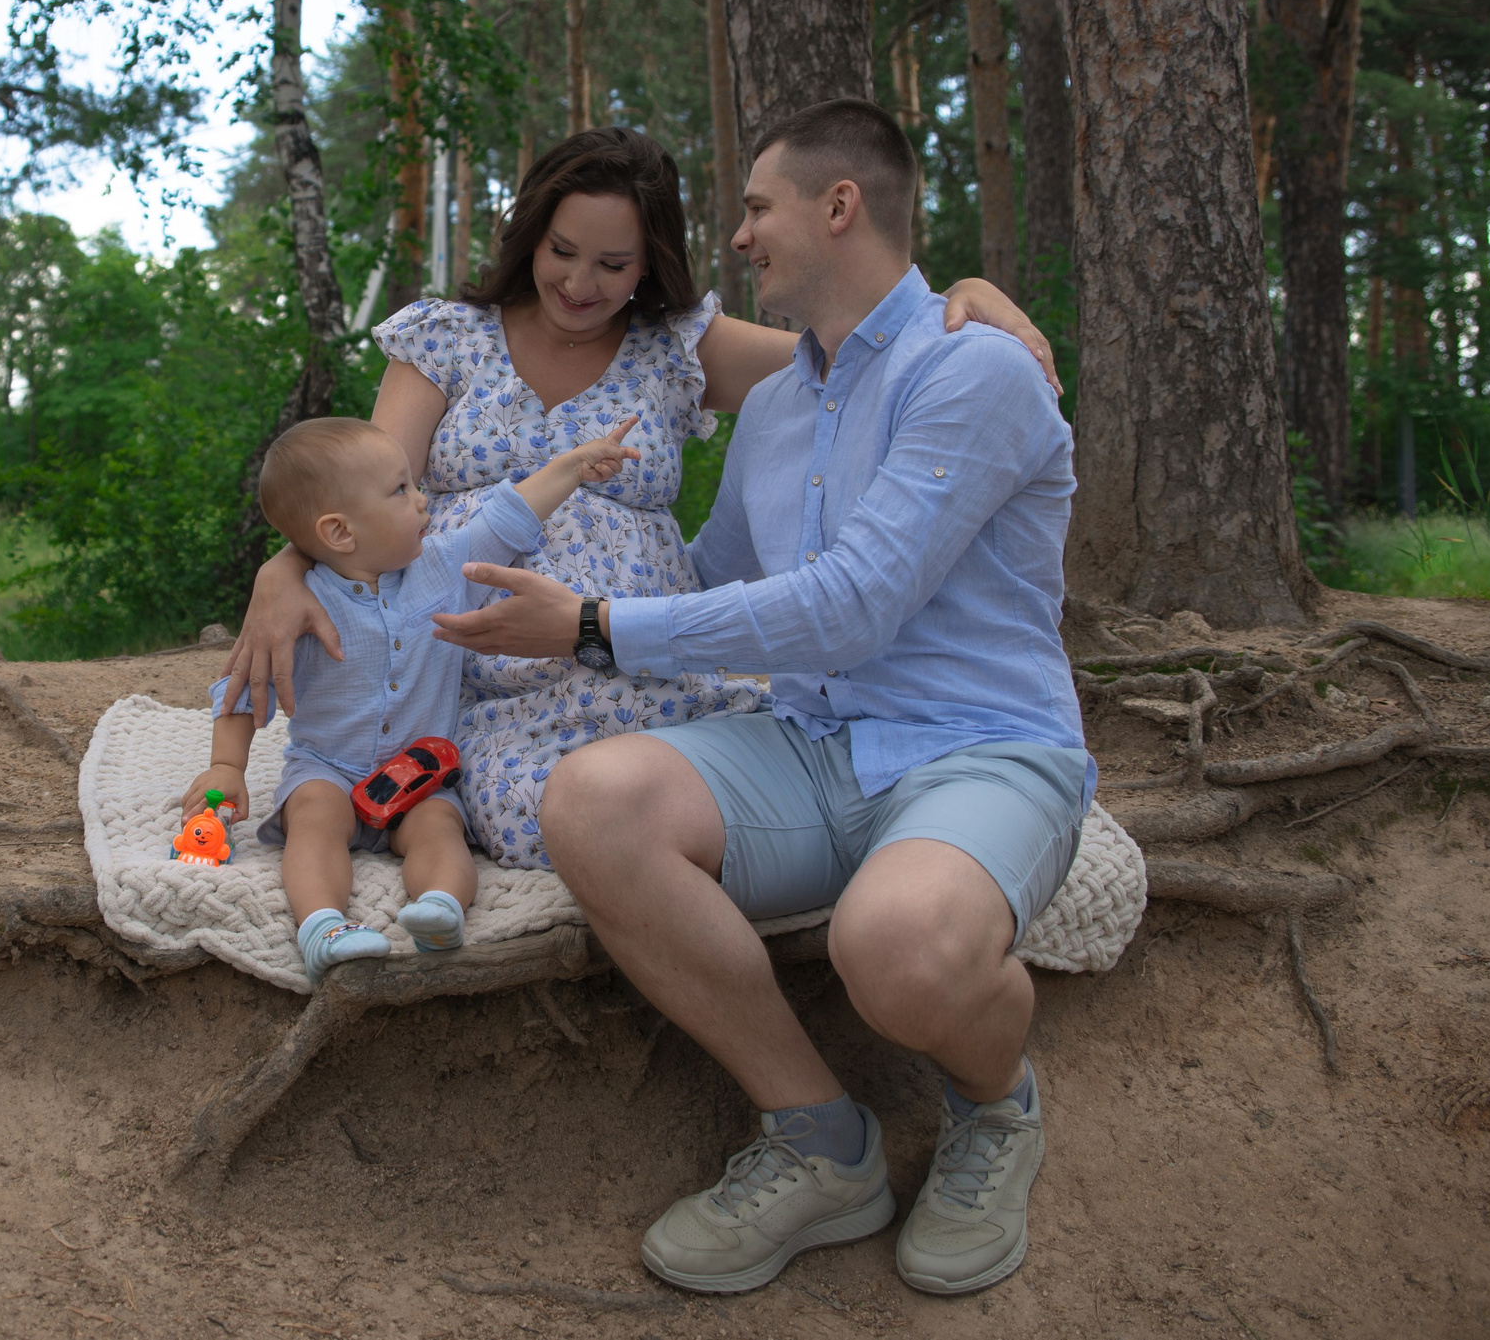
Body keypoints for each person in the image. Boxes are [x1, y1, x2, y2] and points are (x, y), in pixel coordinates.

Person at [430, 100, 1087, 1300]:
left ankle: (997, 1110)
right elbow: (715, 574)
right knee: (594, 800)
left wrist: (588, 627)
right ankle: (823, 1141)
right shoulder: (782, 403)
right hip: (809, 742)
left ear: (838, 206)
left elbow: (850, 606)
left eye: (757, 207)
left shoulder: (974, 368)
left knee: (889, 948)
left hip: (979, 749)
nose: (736, 238)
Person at [219, 126, 1057, 871]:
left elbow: (859, 341)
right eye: (561, 250)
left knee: (699, 792)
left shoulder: (679, 348)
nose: (580, 282)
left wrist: (965, 300)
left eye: (614, 264)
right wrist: (284, 570)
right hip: (494, 673)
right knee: (547, 814)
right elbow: (358, 497)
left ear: (651, 262)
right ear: (530, 237)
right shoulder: (446, 337)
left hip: (643, 659)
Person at [186, 411, 646, 982]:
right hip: (328, 767)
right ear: (339, 533)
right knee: (313, 817)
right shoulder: (301, 607)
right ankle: (323, 925)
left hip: (419, 772)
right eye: (401, 490)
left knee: (438, 827)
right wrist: (225, 767)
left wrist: (573, 466)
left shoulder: (444, 566)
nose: (423, 499)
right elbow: (241, 688)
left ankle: (440, 908)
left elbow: (509, 516)